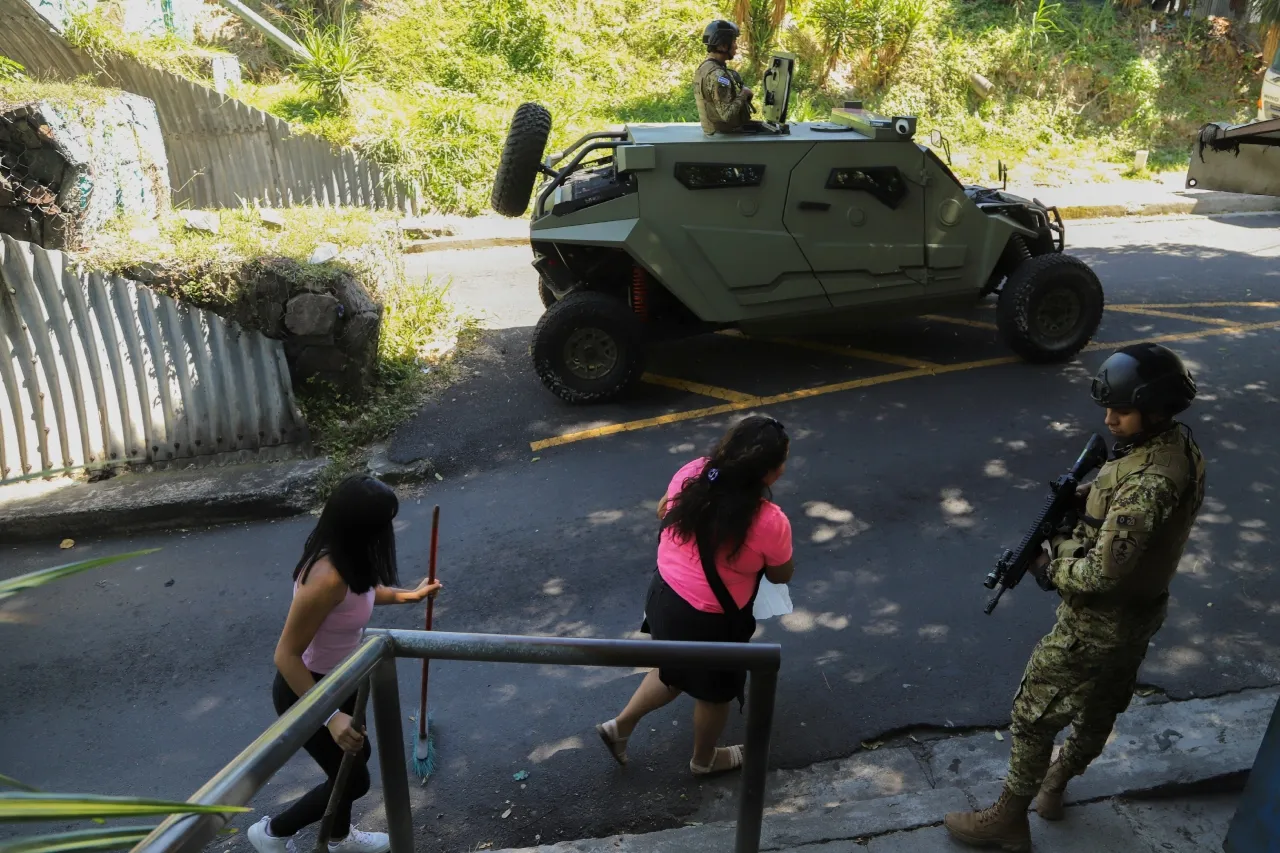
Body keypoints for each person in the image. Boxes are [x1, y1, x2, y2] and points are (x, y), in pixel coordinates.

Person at [944, 343, 1205, 851]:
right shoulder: (1176, 449)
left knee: (1033, 715)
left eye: (1122, 411)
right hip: (1140, 614)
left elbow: (1099, 575)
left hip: (1098, 624)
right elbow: (1130, 505)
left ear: (1155, 410)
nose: (1109, 419)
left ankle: (1007, 820)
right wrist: (1084, 500)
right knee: (1099, 710)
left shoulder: (1150, 482)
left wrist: (1050, 560)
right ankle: (1054, 786)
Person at [248, 475, 443, 853]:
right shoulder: (326, 577)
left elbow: (363, 593)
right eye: (383, 522)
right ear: (361, 525)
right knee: (354, 781)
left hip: (341, 679)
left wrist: (409, 596)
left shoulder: (350, 555)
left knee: (353, 761)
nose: (388, 530)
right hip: (307, 687)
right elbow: (285, 655)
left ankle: (338, 838)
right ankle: (271, 832)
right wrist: (330, 715)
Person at [595, 415, 794, 775]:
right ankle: (704, 760)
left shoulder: (695, 471)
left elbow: (663, 509)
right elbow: (781, 575)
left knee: (673, 669)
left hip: (663, 596)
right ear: (771, 474)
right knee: (714, 695)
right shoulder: (769, 520)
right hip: (708, 621)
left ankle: (619, 728)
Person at [694, 19, 754, 135]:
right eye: (734, 42)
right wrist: (744, 94)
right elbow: (727, 115)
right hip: (724, 138)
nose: (736, 47)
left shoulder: (704, 68)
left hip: (713, 132)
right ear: (722, 46)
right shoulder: (718, 75)